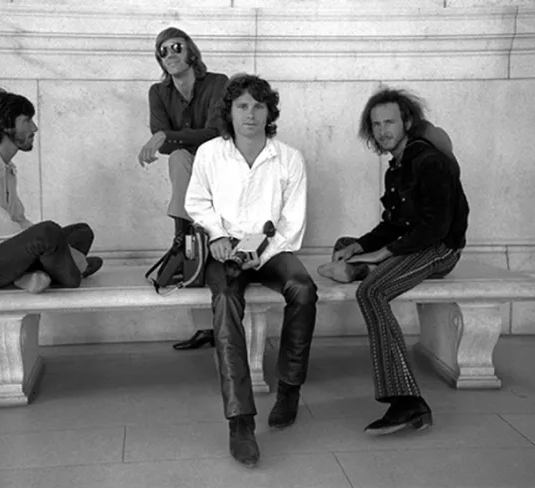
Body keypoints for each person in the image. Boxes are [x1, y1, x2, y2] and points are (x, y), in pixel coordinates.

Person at [318, 87, 469, 436]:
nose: (383, 131)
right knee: (344, 245)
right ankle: (360, 265)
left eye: (389, 122)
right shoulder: (397, 167)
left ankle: (407, 402)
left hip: (440, 248)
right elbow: (393, 225)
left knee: (371, 292)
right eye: (376, 125)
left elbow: (435, 228)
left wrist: (384, 253)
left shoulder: (429, 161)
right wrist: (359, 246)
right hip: (413, 244)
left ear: (407, 122)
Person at [185, 74, 318, 467]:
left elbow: (292, 221)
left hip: (272, 249)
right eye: (242, 106)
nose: (250, 114)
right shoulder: (210, 153)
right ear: (229, 111)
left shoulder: (289, 158)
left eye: (259, 106)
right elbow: (197, 202)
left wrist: (261, 252)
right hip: (225, 248)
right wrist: (216, 236)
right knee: (226, 298)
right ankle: (240, 420)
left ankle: (289, 388)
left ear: (269, 112)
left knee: (303, 288)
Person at [0, 88, 103, 294]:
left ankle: (32, 275)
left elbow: (18, 220)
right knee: (49, 232)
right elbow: (0, 232)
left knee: (81, 233)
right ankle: (67, 272)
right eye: (27, 120)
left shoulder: (7, 168)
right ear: (4, 125)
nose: (34, 128)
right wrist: (64, 250)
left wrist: (58, 245)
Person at [137, 27, 228, 351]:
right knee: (178, 158)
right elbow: (163, 145)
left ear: (191, 51)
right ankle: (204, 328)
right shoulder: (158, 92)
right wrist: (166, 138)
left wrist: (167, 135)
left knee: (202, 247)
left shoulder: (217, 83)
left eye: (176, 47)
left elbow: (216, 132)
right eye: (162, 51)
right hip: (187, 175)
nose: (169, 54)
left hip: (220, 171)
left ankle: (182, 237)